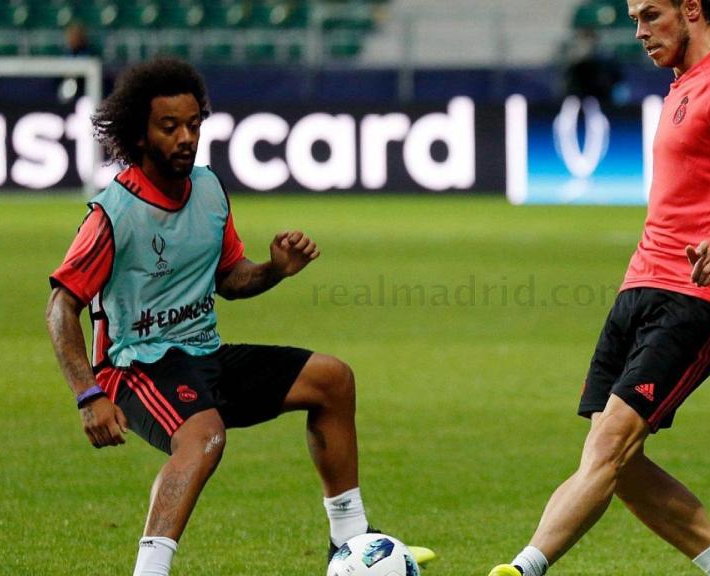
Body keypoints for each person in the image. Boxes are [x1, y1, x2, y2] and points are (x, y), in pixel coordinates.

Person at [45, 58, 432, 576]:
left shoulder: (208, 189)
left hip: (203, 354)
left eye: (194, 124)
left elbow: (229, 279)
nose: (186, 138)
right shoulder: (113, 213)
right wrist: (88, 394)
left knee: (332, 380)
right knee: (204, 435)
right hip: (135, 366)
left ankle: (350, 541)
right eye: (169, 127)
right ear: (139, 135)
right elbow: (61, 307)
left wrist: (274, 269)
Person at [488, 0, 710, 574]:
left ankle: (521, 568)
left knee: (609, 449)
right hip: (641, 282)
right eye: (634, 18)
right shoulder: (683, 82)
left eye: (651, 15)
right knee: (616, 463)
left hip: (698, 294)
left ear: (692, 8)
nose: (639, 32)